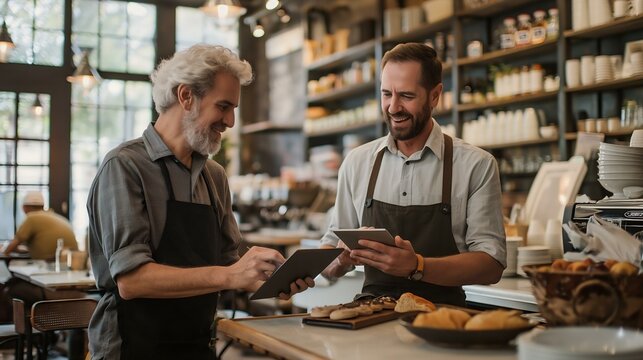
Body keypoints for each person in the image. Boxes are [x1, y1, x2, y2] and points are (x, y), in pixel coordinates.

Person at [87, 44, 314, 360]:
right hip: (132, 348)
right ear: (186, 96)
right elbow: (132, 281)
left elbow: (226, 263)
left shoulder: (214, 176)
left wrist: (273, 278)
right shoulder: (125, 167)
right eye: (223, 106)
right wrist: (231, 275)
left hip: (198, 345)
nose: (231, 121)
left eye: (233, 108)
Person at [321, 43, 505, 307]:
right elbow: (328, 258)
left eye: (406, 95)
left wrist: (417, 265)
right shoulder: (357, 163)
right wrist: (339, 259)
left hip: (443, 320)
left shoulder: (476, 165)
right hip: (371, 317)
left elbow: (491, 264)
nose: (393, 107)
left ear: (435, 95)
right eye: (386, 94)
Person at [3, 191, 78, 260]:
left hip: (50, 264)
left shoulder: (31, 218)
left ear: (24, 207)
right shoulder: (56, 216)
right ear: (43, 206)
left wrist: (4, 250)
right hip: (73, 263)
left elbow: (10, 248)